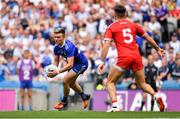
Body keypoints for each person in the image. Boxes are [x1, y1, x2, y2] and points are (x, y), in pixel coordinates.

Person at [98, 4, 165, 112]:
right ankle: (156, 95)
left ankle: (115, 106)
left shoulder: (112, 27)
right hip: (136, 56)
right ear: (125, 14)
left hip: (124, 57)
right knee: (142, 84)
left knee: (109, 82)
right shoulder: (133, 25)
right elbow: (147, 37)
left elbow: (106, 45)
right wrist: (158, 49)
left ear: (115, 14)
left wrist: (102, 61)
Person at [47, 27, 90, 110]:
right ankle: (84, 96)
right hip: (74, 64)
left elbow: (70, 64)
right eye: (55, 37)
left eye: (58, 37)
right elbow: (56, 61)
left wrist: (57, 72)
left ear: (63, 37)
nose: (56, 39)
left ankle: (64, 102)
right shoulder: (56, 47)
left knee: (65, 81)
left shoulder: (69, 46)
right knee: (71, 83)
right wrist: (52, 70)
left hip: (81, 64)